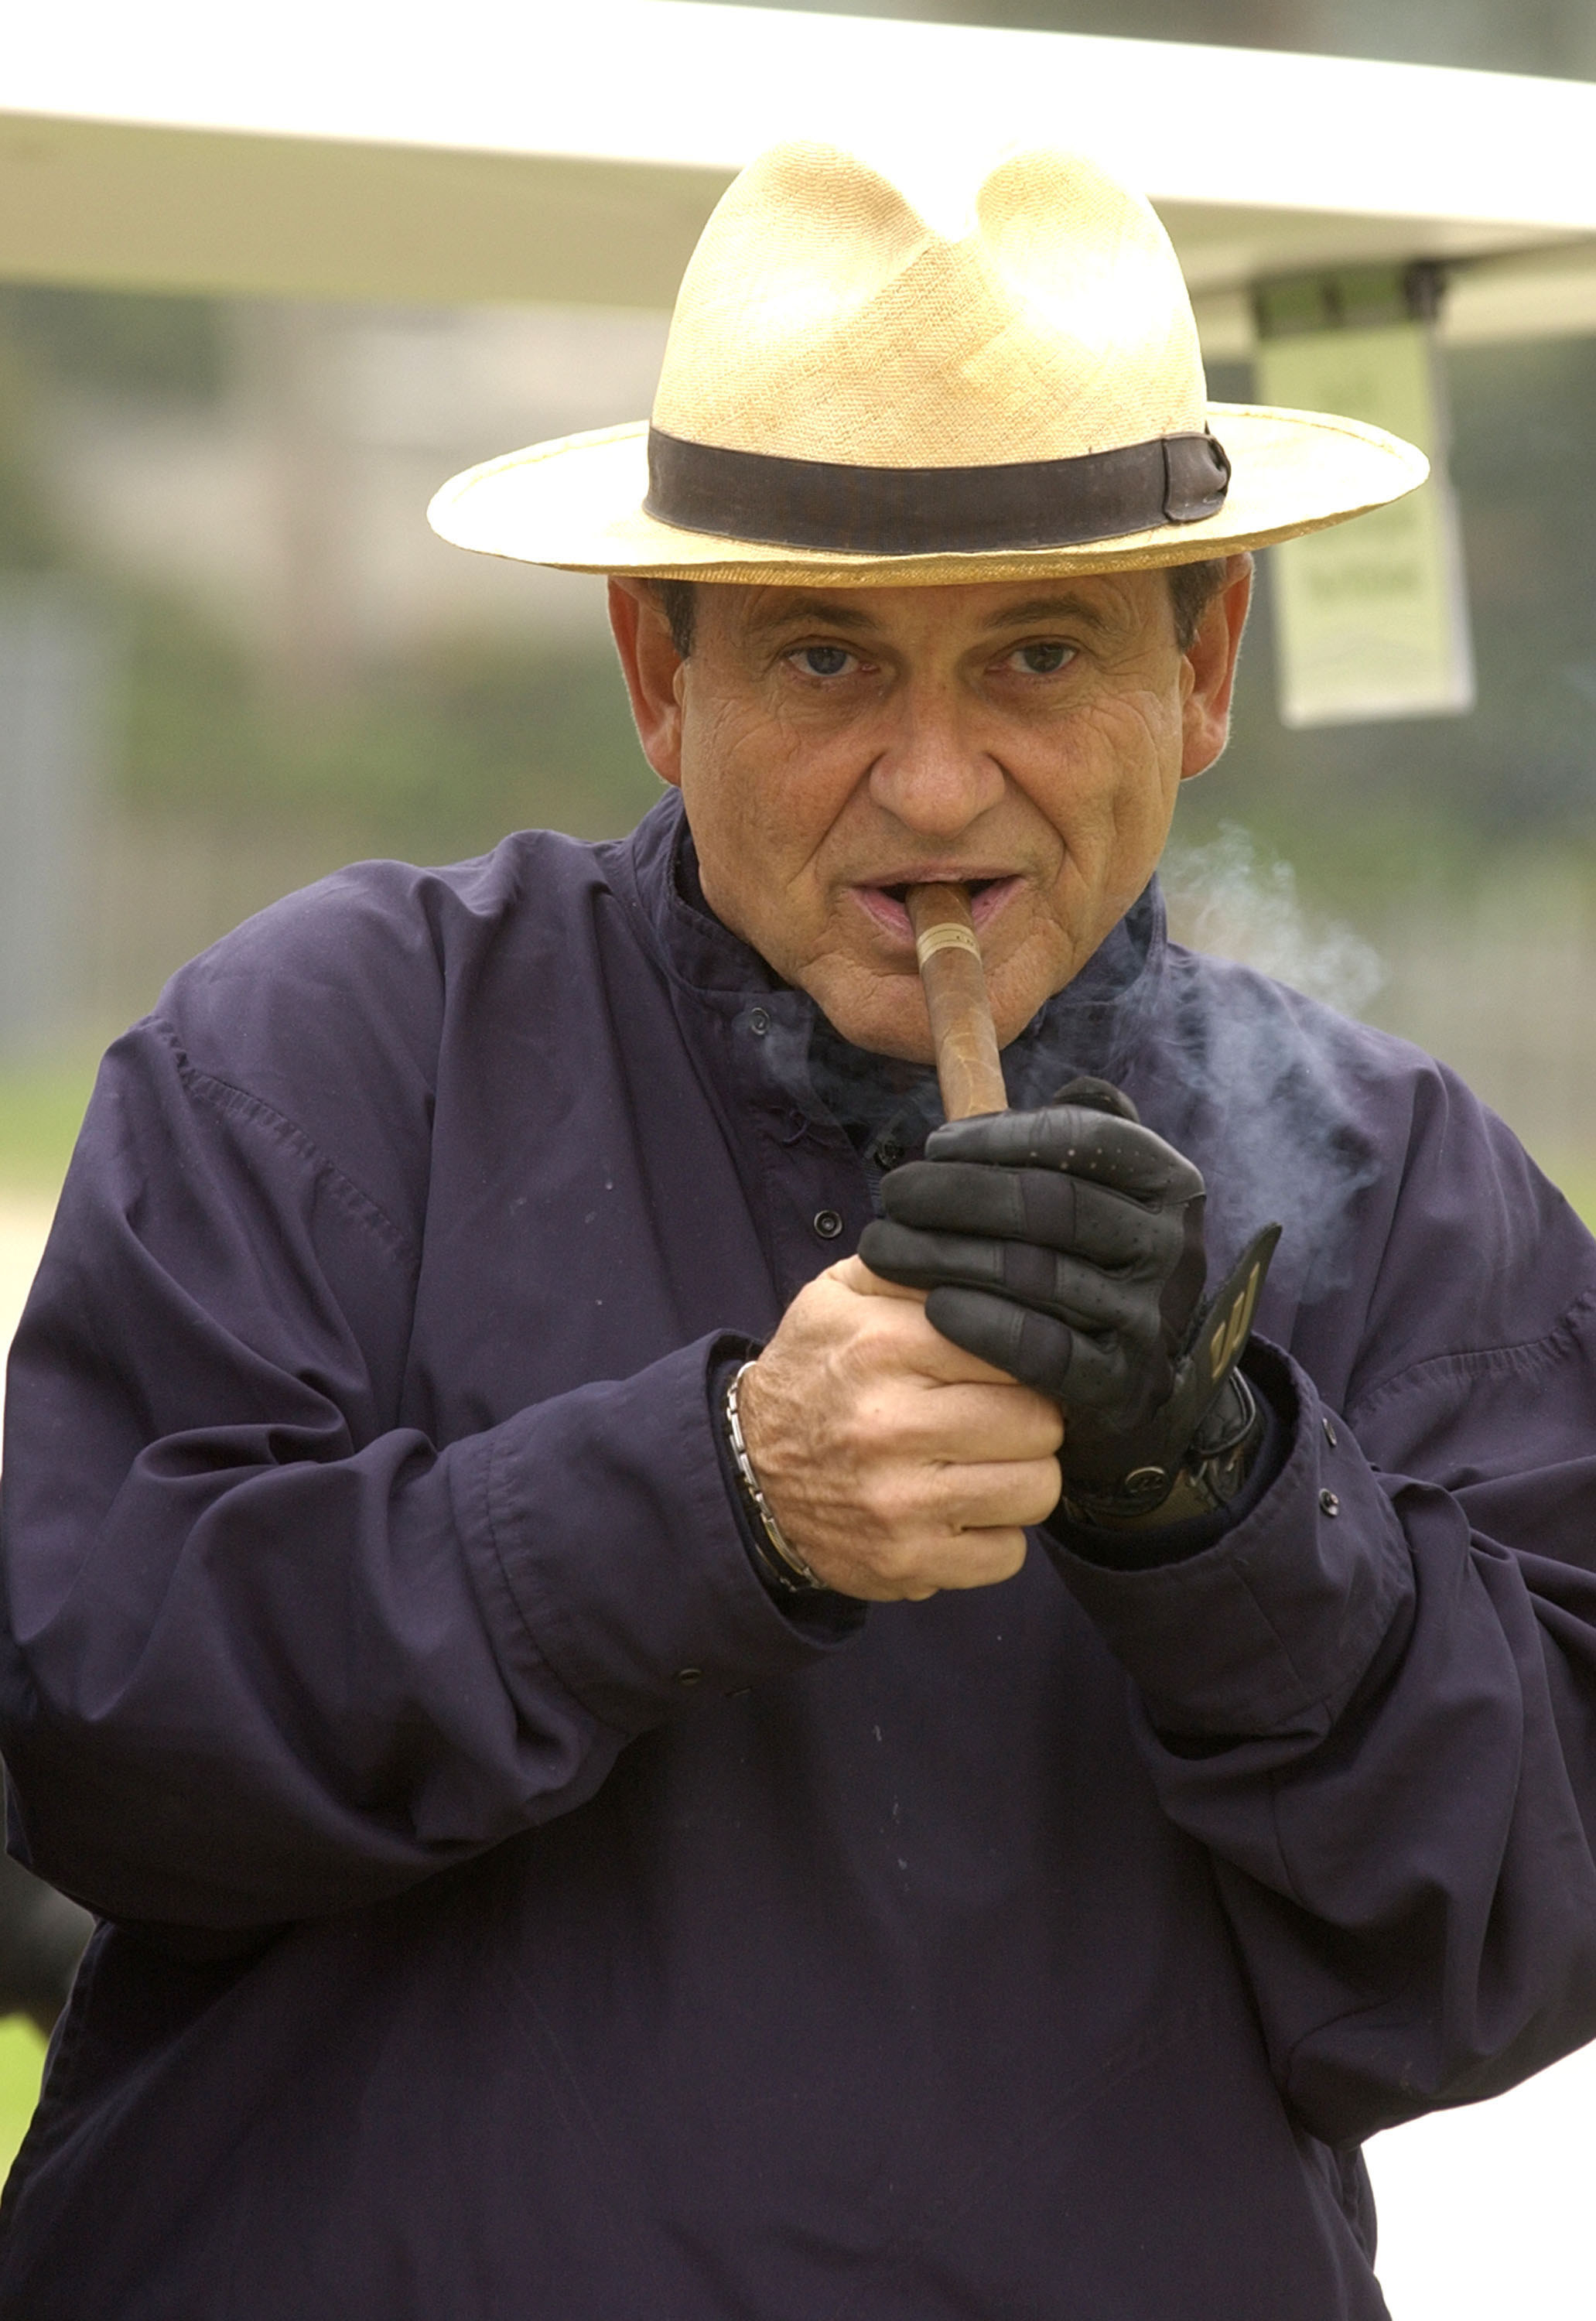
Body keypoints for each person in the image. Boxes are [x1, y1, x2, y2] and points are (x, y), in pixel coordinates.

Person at [2, 137, 1595, 2320]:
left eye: (1039, 655)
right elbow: (97, 1737)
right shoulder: (337, 1053)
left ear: (1207, 665)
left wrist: (1222, 1497)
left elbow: (1519, 1940)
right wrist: (715, 1496)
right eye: (828, 664)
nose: (936, 788)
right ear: (660, 673)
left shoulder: (1397, 1181)